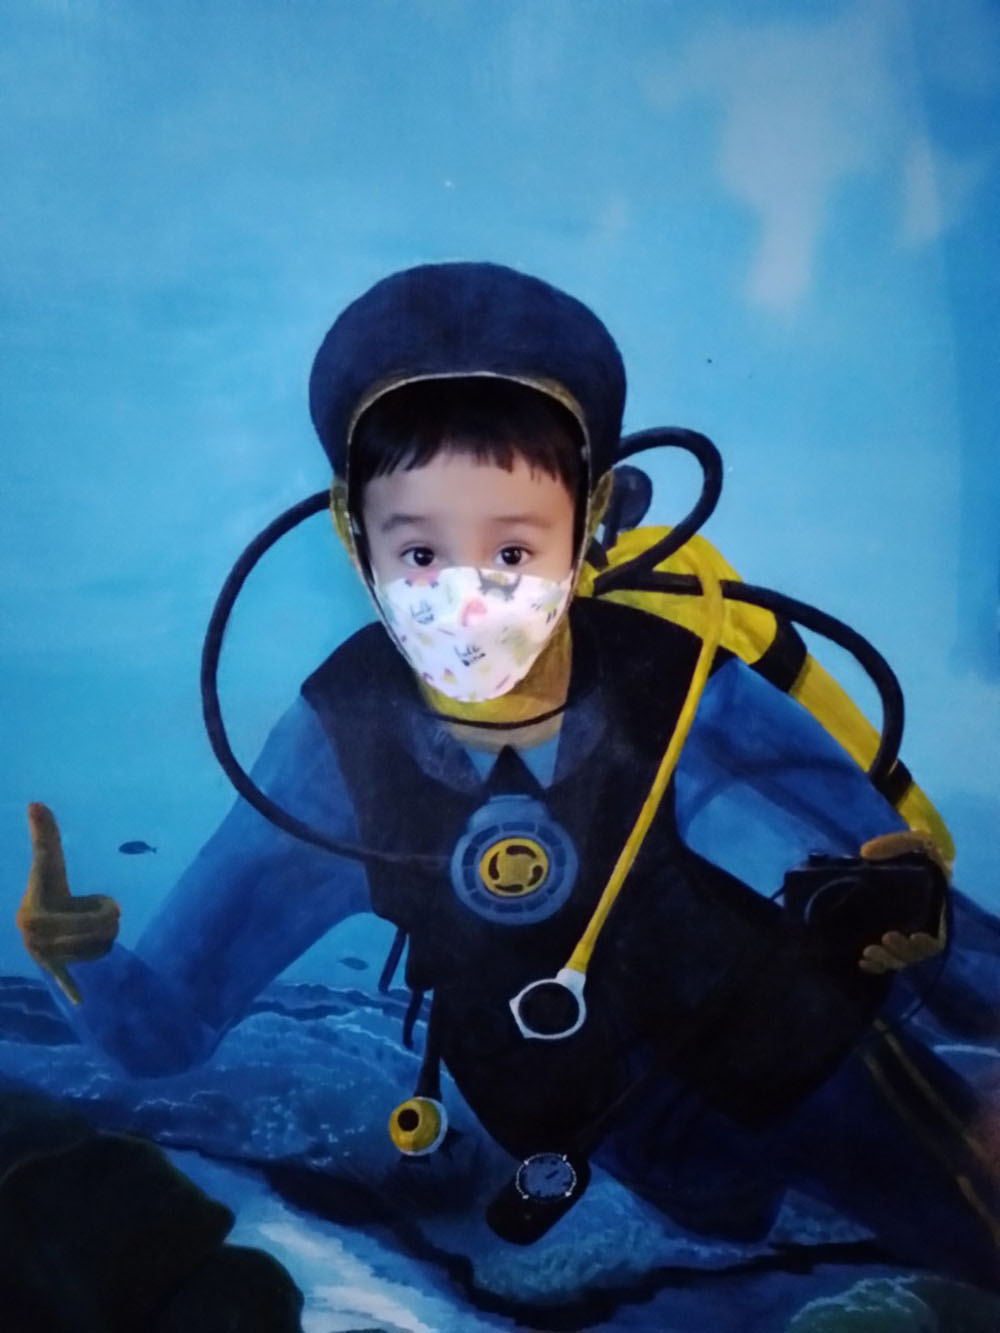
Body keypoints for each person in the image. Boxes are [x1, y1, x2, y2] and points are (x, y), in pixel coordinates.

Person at [16, 263, 999, 1286]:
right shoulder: (338, 746)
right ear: (354, 533)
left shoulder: (679, 686)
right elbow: (167, 1033)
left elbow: (912, 905)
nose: (470, 604)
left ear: (594, 517)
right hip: (629, 1155)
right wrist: (81, 961)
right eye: (421, 554)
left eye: (515, 551)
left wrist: (915, 920)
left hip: (823, 1079)